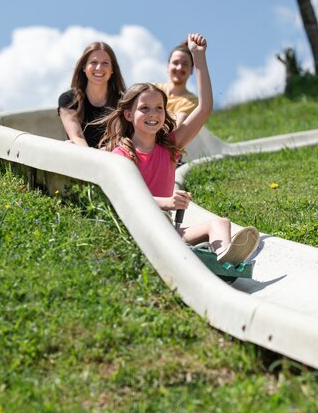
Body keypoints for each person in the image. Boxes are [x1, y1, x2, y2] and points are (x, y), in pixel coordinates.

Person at [100, 34, 259, 265]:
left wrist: (199, 57)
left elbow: (204, 108)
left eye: (158, 108)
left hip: (167, 229)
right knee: (170, 229)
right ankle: (207, 254)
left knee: (220, 223)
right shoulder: (122, 154)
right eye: (144, 108)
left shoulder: (170, 146)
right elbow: (129, 198)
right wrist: (167, 202)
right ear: (128, 114)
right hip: (137, 229)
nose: (153, 114)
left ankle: (225, 256)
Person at [58, 41, 126, 148]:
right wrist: (93, 161)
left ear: (112, 69)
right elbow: (77, 137)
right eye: (94, 62)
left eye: (105, 63)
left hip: (113, 159)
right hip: (82, 158)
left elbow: (120, 141)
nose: (99, 68)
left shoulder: (123, 102)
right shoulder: (69, 100)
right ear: (84, 67)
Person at [154, 40, 198, 126]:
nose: (179, 68)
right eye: (175, 62)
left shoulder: (193, 101)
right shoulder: (153, 89)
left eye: (185, 64)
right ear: (168, 66)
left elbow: (176, 127)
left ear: (191, 69)